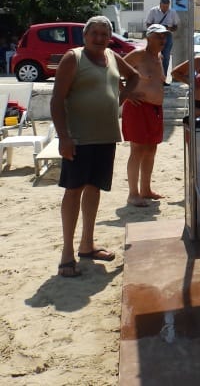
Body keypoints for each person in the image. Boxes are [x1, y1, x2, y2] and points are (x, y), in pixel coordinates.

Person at [51, 16, 141, 278]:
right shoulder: (73, 58)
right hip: (78, 138)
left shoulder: (112, 56)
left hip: (106, 136)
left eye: (104, 34)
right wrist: (63, 137)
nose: (100, 38)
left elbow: (133, 77)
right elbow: (57, 100)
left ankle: (87, 245)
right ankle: (67, 254)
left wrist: (120, 98)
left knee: (94, 189)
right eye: (95, 33)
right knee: (73, 191)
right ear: (86, 35)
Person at [122, 23, 167, 208]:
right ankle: (133, 194)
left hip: (155, 109)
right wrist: (127, 93)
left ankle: (145, 189)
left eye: (164, 36)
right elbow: (113, 71)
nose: (163, 40)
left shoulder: (160, 56)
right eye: (158, 36)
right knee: (137, 150)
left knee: (151, 150)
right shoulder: (138, 55)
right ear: (149, 38)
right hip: (138, 107)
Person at [145, 0, 180, 82]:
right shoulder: (153, 11)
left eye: (167, 7)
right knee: (152, 56)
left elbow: (176, 26)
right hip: (155, 35)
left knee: (166, 57)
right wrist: (157, 28)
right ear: (160, 5)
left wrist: (168, 28)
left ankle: (162, 79)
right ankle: (152, 77)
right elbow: (148, 24)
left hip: (167, 36)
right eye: (163, 7)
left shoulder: (172, 12)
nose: (165, 9)